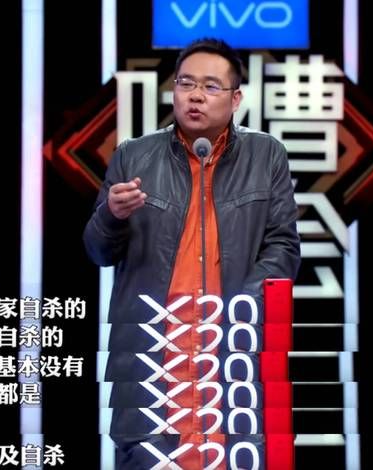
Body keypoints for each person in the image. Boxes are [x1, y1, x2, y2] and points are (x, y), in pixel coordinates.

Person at [83, 37, 300, 468]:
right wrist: (111, 215)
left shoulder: (266, 155)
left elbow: (283, 247)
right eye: (186, 83)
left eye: (210, 86)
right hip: (153, 356)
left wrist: (237, 309)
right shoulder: (133, 156)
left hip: (231, 354)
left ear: (235, 99)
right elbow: (97, 250)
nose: (195, 95)